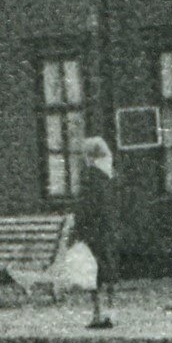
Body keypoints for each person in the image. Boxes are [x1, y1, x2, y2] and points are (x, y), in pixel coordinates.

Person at [73, 135, 120, 330]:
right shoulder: (109, 176)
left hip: (92, 232)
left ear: (89, 156)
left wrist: (79, 230)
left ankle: (97, 313)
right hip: (108, 230)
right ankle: (111, 312)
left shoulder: (90, 178)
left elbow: (85, 208)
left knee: (93, 275)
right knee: (109, 272)